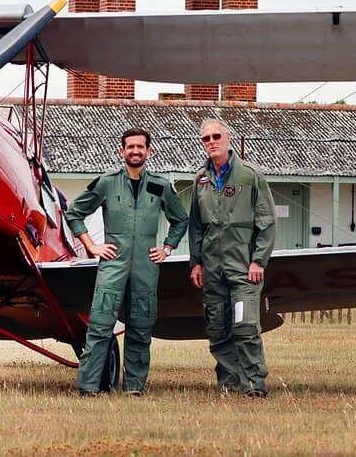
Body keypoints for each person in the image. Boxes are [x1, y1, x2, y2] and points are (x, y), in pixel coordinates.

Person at [66, 127, 188, 397]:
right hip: (113, 265)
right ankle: (88, 387)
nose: (135, 151)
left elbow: (180, 219)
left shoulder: (161, 185)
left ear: (149, 151)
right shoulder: (107, 183)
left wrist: (167, 248)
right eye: (130, 146)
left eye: (140, 147)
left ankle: (134, 388)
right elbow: (74, 213)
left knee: (141, 328)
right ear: (122, 151)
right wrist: (91, 245)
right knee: (99, 326)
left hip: (146, 267)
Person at [188, 117, 276, 398]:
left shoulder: (251, 176)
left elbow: (267, 221)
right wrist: (196, 262)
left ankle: (253, 385)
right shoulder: (200, 180)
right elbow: (195, 226)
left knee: (245, 326)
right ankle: (228, 384)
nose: (211, 142)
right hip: (212, 269)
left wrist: (258, 260)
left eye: (216, 136)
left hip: (243, 269)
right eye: (206, 139)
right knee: (218, 328)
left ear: (227, 139)